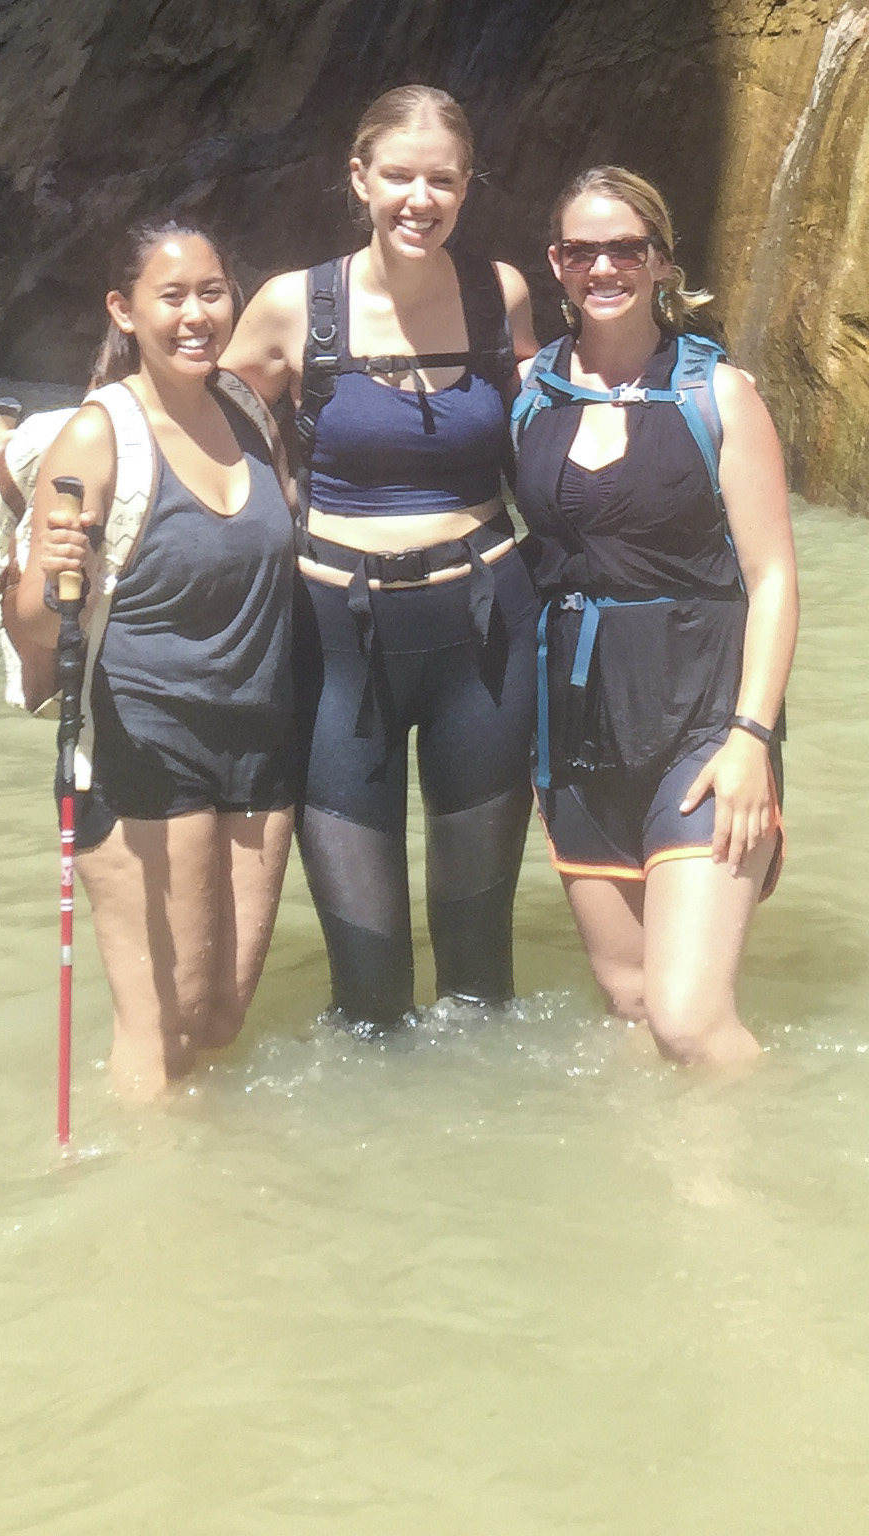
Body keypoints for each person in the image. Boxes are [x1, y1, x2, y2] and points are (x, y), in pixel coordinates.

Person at [224, 85, 539, 1030]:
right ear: (359, 178)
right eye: (398, 176)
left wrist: (703, 382)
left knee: (481, 979)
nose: (420, 199)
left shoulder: (500, 292)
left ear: (467, 186)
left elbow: (560, 420)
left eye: (441, 180)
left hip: (484, 635)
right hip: (336, 646)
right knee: (368, 993)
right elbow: (199, 429)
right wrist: (40, 452)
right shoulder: (294, 305)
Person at [0, 219, 298, 1099]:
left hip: (260, 737)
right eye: (172, 297)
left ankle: (204, 1205)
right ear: (123, 311)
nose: (197, 315)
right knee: (160, 1032)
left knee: (218, 1019)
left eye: (212, 292)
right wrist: (46, 579)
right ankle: (148, 1223)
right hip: (143, 743)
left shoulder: (246, 410)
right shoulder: (100, 437)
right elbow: (33, 632)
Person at [513, 167, 798, 1069]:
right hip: (576, 737)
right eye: (580, 250)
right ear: (555, 265)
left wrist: (750, 737)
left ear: (663, 262)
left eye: (625, 249)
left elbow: (775, 576)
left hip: (703, 728)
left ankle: (752, 1203)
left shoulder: (720, 396)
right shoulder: (528, 393)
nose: (603, 267)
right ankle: (662, 1198)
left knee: (688, 1019)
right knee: (631, 1003)